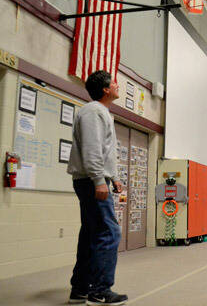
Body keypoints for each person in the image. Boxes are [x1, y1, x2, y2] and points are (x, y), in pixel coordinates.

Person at [67, 70, 128, 305]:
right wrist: (99, 180)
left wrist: (113, 177)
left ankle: (81, 288)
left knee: (91, 233)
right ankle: (100, 290)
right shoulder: (93, 111)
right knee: (109, 232)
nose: (116, 85)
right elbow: (92, 149)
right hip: (91, 181)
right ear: (105, 89)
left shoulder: (100, 112)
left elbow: (103, 152)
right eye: (113, 83)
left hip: (93, 179)